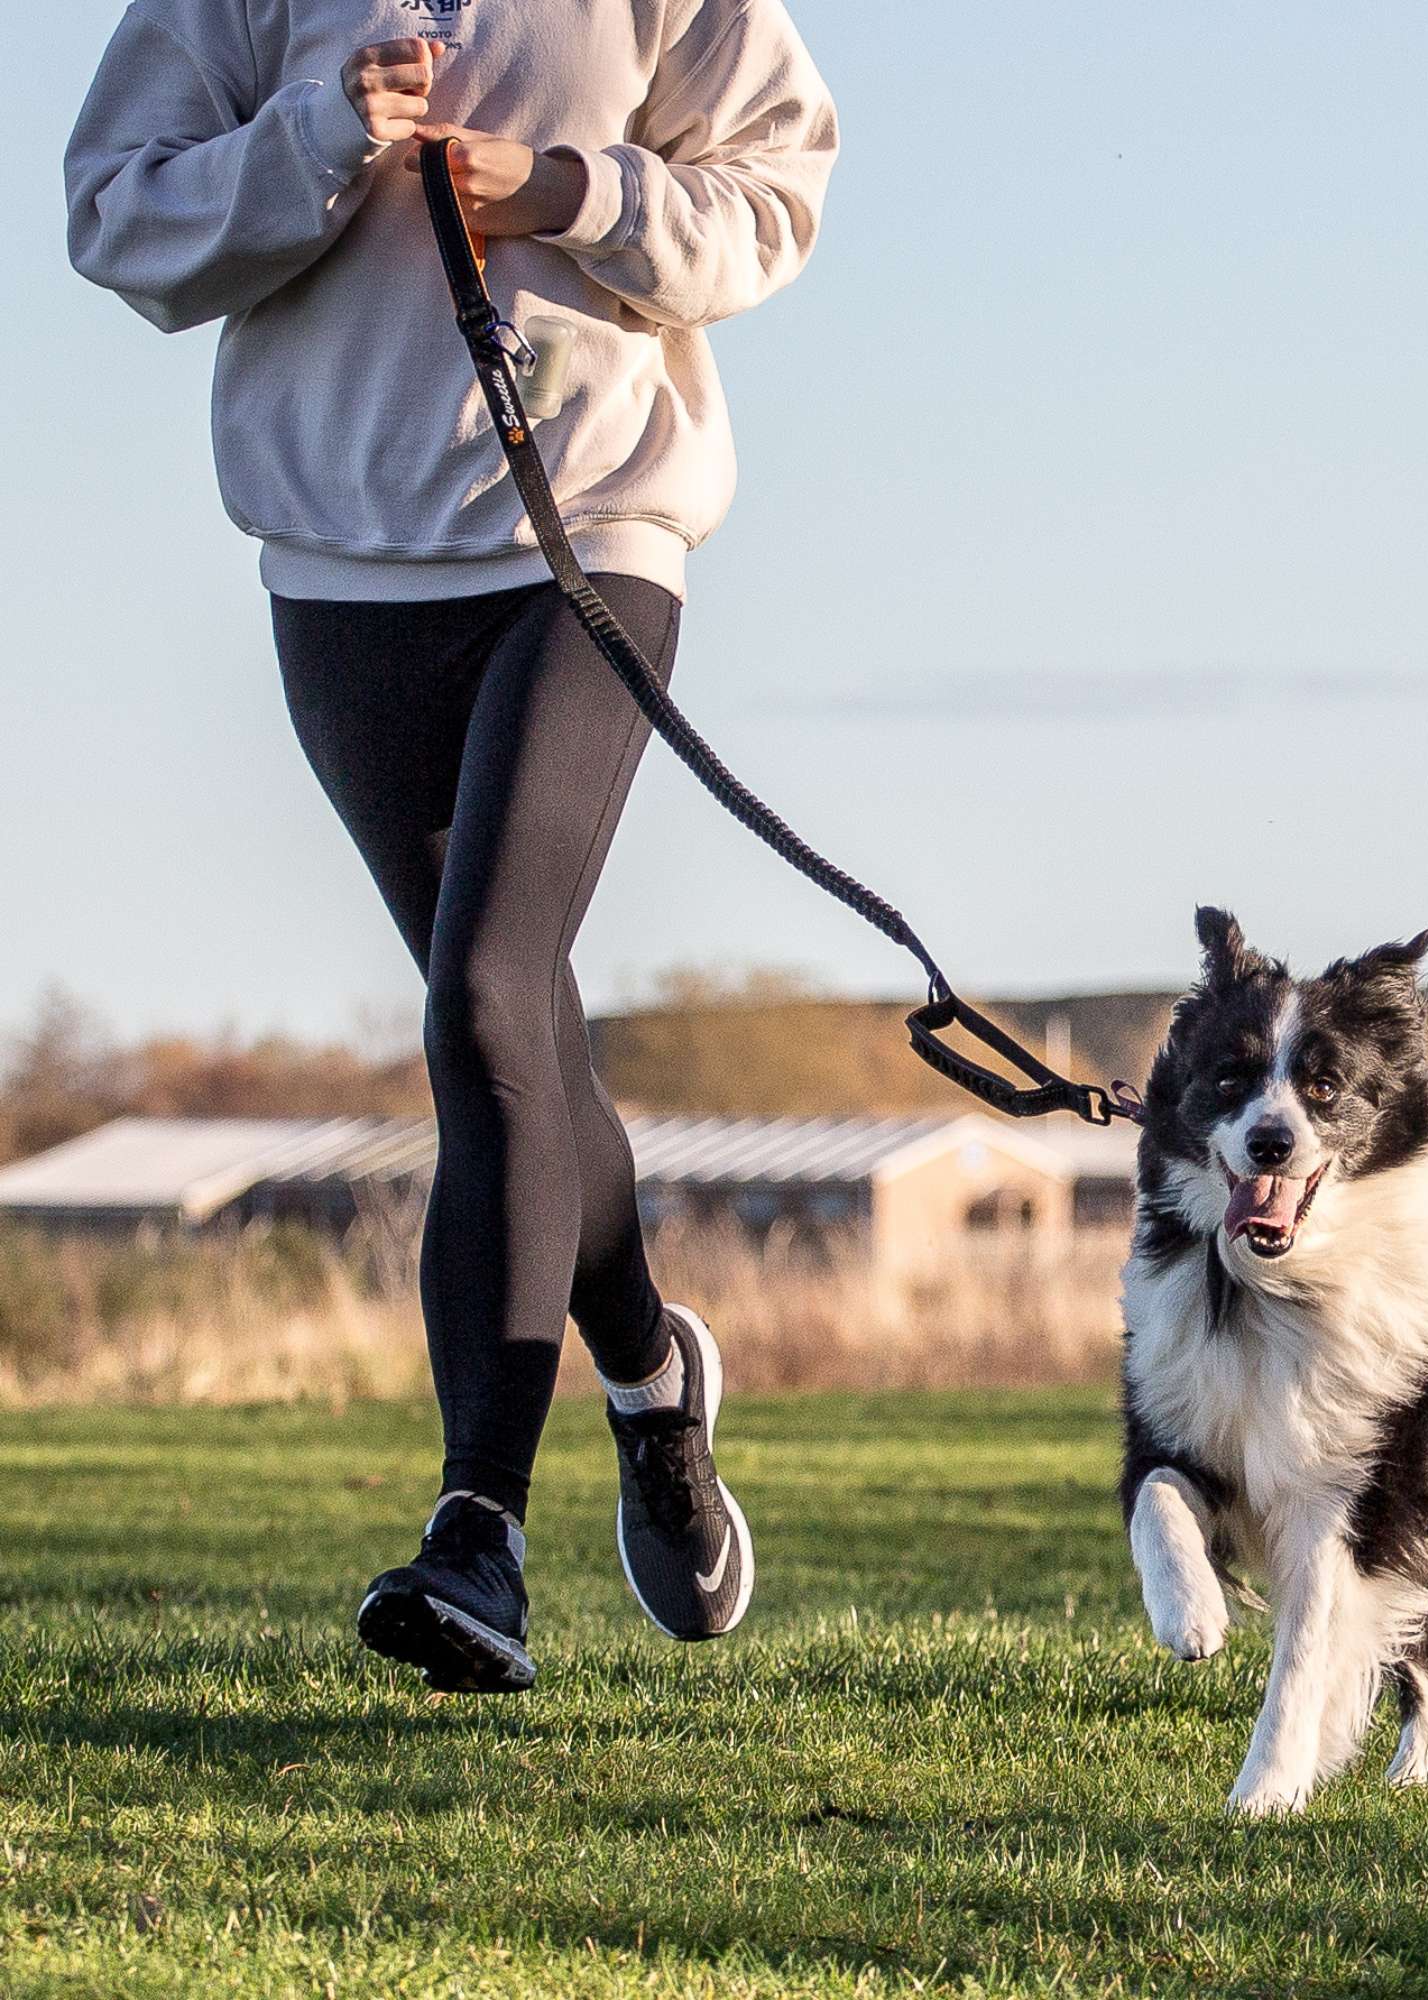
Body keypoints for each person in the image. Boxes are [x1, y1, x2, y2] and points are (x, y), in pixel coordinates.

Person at [65, 1, 838, 1690]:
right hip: (337, 569)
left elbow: (776, 192)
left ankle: (476, 1531)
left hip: (589, 534)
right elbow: (115, 218)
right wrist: (312, 143)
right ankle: (649, 1375)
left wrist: (567, 188)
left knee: (487, 994)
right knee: (520, 1029)